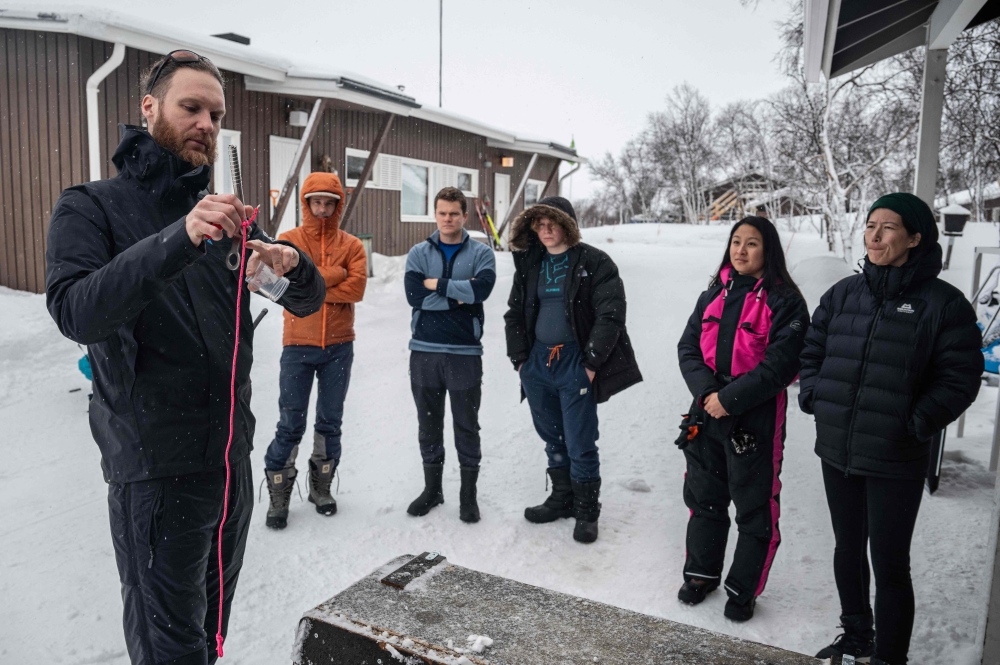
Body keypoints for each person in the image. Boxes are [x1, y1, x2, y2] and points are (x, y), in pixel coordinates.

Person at [45, 51, 325, 664]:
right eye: (190, 107)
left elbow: (306, 301)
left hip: (229, 465)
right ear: (149, 108)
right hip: (155, 473)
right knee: (169, 649)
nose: (206, 122)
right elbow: (76, 312)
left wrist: (289, 266)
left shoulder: (223, 215)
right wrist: (181, 237)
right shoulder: (91, 206)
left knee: (209, 637)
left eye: (215, 113)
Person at [800, 193, 983, 665]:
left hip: (895, 455)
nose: (875, 236)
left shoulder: (944, 305)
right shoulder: (844, 294)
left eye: (888, 227)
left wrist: (915, 423)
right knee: (847, 547)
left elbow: (959, 378)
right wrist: (815, 397)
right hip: (837, 446)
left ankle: (889, 657)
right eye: (870, 226)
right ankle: (857, 635)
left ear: (915, 238)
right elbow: (812, 351)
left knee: (889, 562)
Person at [676, 216, 809, 622]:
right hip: (706, 412)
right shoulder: (714, 292)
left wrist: (729, 399)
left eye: (752, 243)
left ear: (768, 251)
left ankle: (742, 588)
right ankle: (701, 574)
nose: (741, 250)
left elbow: (780, 366)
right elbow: (688, 348)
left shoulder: (785, 301)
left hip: (755, 415)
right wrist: (707, 394)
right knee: (704, 497)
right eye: (736, 242)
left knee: (754, 506)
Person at [504, 197, 642, 544]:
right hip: (537, 364)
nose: (546, 229)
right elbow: (514, 313)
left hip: (575, 364)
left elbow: (610, 314)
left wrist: (591, 364)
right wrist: (521, 361)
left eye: (553, 222)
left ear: (569, 224)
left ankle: (586, 511)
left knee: (580, 440)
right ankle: (562, 498)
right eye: (539, 224)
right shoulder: (531, 263)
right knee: (551, 435)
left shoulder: (594, 262)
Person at [262, 172, 367, 529]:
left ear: (339, 206)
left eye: (329, 203)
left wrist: (309, 283)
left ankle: (321, 487)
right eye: (316, 202)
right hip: (297, 345)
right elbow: (276, 287)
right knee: (290, 422)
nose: (322, 209)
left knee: (330, 421)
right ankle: (279, 491)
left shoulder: (352, 245)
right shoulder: (289, 241)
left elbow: (356, 290)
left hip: (339, 346)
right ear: (305, 203)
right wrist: (332, 275)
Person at [404, 186, 496, 523]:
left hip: (464, 353)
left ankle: (468, 496)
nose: (447, 219)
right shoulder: (418, 253)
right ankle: (433, 490)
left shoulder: (482, 253)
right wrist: (460, 294)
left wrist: (437, 284)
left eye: (454, 213)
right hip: (424, 352)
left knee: (466, 425)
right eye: (442, 213)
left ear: (464, 216)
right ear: (435, 213)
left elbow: (481, 290)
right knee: (428, 425)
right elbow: (415, 296)